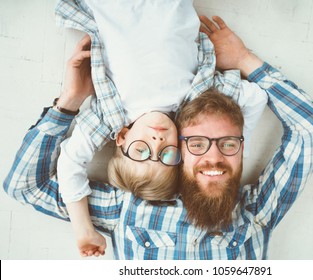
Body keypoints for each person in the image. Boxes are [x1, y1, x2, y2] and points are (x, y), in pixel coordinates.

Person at [3, 13, 313, 259]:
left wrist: (69, 105)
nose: (214, 158)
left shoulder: (257, 210)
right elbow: (26, 187)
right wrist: (244, 60)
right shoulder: (129, 206)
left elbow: (24, 186)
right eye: (206, 144)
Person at [55, 0, 267, 257]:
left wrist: (83, 229)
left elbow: (70, 164)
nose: (157, 140)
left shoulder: (111, 116)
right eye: (167, 154)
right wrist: (230, 147)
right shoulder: (196, 102)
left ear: (123, 137)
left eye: (142, 150)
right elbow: (256, 97)